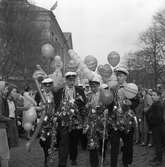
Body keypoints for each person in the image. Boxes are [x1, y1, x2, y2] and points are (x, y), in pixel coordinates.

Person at [53, 71, 86, 167]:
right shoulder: (60, 91)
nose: (71, 82)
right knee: (63, 142)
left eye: (73, 80)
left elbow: (83, 102)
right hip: (63, 121)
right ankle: (62, 162)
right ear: (66, 80)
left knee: (74, 141)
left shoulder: (79, 90)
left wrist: (75, 105)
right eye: (69, 80)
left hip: (76, 120)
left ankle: (73, 158)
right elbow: (57, 105)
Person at [109, 66, 138, 167]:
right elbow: (109, 101)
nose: (118, 77)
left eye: (120, 76)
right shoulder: (113, 88)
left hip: (128, 121)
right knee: (114, 144)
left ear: (125, 76)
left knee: (128, 144)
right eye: (117, 75)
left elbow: (137, 101)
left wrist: (132, 103)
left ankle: (127, 163)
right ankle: (113, 164)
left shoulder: (131, 88)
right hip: (115, 120)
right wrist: (107, 109)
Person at [146, 91, 165, 166]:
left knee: (158, 144)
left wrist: (150, 120)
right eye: (152, 95)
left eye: (154, 95)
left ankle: (159, 160)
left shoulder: (158, 105)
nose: (152, 96)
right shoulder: (155, 104)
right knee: (157, 144)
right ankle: (157, 157)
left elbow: (159, 117)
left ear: (158, 96)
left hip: (158, 127)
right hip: (156, 127)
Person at [0, 81, 11, 167]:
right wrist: (8, 119)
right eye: (6, 88)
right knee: (4, 152)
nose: (7, 90)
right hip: (1, 128)